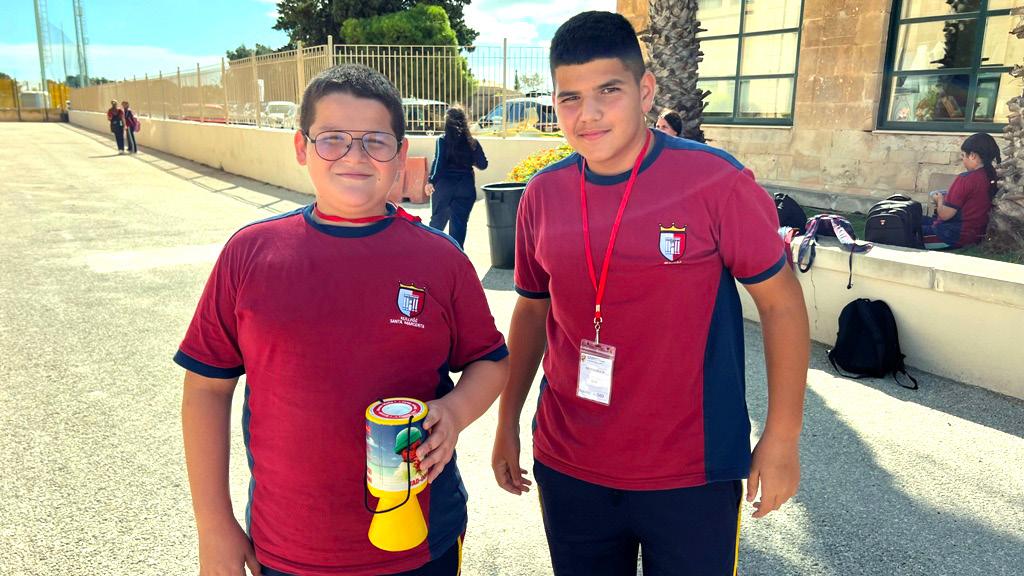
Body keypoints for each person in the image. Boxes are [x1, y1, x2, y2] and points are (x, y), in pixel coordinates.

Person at [491, 11, 809, 576]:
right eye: (570, 98)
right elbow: (533, 312)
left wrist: (782, 437)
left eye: (608, 91)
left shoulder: (715, 182)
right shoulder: (542, 194)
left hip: (691, 472)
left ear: (644, 91)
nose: (588, 114)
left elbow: (781, 304)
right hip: (569, 463)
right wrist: (506, 422)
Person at [176, 64, 509, 576]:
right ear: (301, 147)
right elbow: (206, 388)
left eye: (376, 141)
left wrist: (456, 410)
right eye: (332, 138)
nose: (355, 156)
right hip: (288, 548)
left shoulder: (441, 259)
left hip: (419, 542)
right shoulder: (250, 253)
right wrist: (213, 525)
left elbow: (490, 360)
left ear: (400, 154)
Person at [923, 132, 999, 249]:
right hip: (976, 234)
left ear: (972, 156)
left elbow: (945, 215)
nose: (962, 160)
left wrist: (939, 200)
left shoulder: (965, 179)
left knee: (904, 226)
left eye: (963, 156)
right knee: (915, 218)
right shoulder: (992, 176)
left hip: (952, 236)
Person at [425, 107, 488, 248]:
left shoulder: (442, 140)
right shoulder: (472, 142)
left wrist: (431, 181)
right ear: (465, 121)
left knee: (437, 224)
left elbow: (439, 162)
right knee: (459, 225)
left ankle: (430, 253)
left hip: (444, 187)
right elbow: (483, 164)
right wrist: (469, 159)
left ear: (447, 122)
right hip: (466, 187)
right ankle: (456, 256)